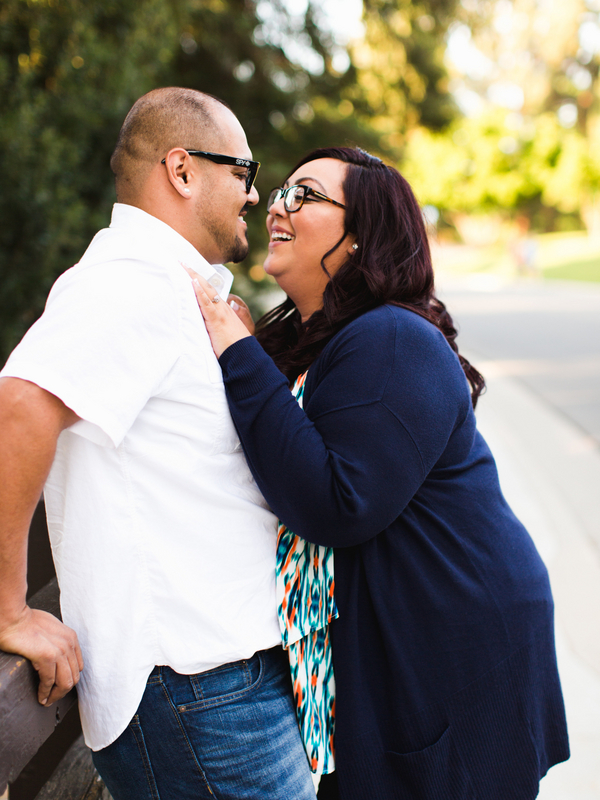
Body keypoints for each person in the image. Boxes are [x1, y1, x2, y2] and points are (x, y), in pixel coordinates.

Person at [185, 146, 570, 800]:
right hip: (409, 629)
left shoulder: (391, 337)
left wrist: (238, 353)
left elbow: (338, 503)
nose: (277, 205)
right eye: (281, 191)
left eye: (305, 195)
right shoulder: (328, 341)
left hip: (455, 648)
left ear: (362, 239)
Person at [0, 88, 317, 800]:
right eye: (243, 171)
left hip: (224, 685)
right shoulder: (129, 282)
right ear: (181, 170)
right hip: (201, 694)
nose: (254, 193)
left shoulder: (169, 287)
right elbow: (18, 404)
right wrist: (8, 608)